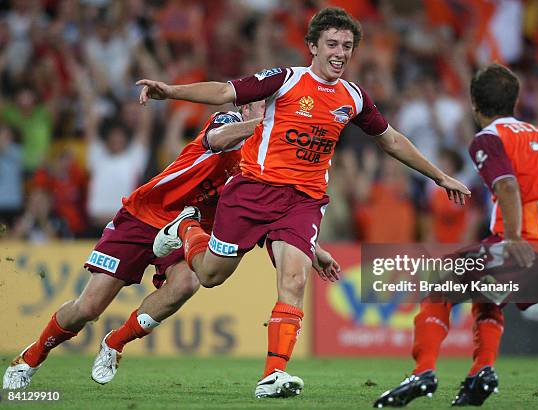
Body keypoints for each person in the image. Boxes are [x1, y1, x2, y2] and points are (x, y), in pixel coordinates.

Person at [136, 7, 470, 399]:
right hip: (254, 191)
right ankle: (185, 228)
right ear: (312, 46)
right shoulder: (285, 80)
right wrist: (171, 91)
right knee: (211, 275)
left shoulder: (354, 97)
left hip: (304, 200)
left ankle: (273, 374)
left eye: (347, 46)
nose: (340, 52)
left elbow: (391, 140)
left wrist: (439, 175)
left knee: (294, 279)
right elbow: (226, 91)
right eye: (332, 43)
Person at [2, 101, 340, 390]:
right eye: (261, 107)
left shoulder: (271, 162)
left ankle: (115, 342)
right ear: (246, 108)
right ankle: (31, 358)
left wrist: (316, 250)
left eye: (273, 108)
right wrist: (264, 125)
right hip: (146, 213)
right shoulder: (229, 122)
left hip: (188, 228)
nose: (268, 113)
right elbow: (215, 139)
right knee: (88, 309)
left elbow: (276, 214)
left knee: (187, 282)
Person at [373, 63, 538, 408]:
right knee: (487, 296)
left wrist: (512, 238)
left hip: (525, 244)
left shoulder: (489, 139)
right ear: (514, 102)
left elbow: (507, 186)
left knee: (440, 282)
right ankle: (481, 373)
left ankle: (423, 372)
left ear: (473, 104)